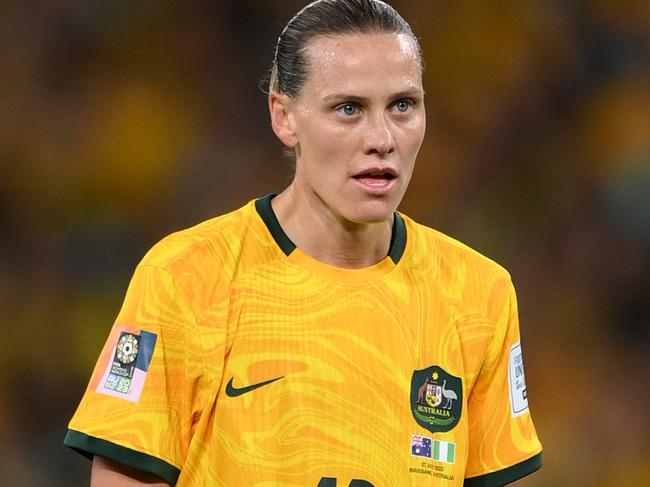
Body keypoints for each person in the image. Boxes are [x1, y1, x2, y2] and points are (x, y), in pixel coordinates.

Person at [64, 1, 542, 485]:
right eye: (348, 108)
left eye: (402, 105)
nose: (382, 138)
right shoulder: (187, 277)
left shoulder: (479, 294)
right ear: (284, 116)